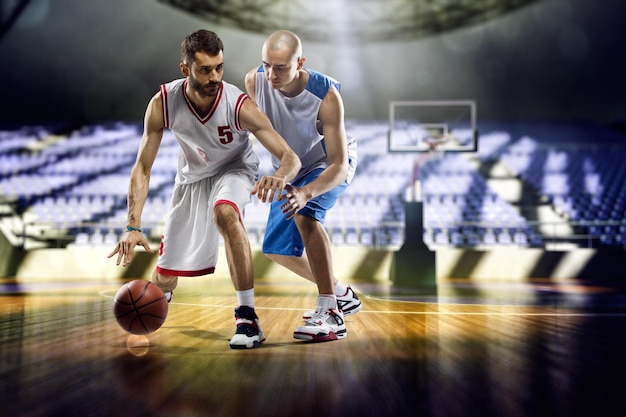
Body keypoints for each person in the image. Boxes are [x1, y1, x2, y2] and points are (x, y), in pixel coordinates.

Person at [108, 30, 300, 349]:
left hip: (235, 168)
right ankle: (158, 300)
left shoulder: (238, 104)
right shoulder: (163, 103)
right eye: (205, 70)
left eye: (219, 68)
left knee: (226, 213)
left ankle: (247, 318)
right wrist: (132, 225)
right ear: (186, 69)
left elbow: (289, 157)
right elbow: (142, 167)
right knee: (166, 277)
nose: (214, 77)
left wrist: (280, 176)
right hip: (191, 180)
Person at [245, 30, 360, 342]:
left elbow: (338, 163)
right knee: (276, 249)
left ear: (301, 62)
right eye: (266, 65)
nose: (271, 74)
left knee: (305, 214)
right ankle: (340, 293)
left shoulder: (326, 97)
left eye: (280, 67)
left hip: (328, 165)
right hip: (291, 170)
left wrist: (306, 191)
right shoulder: (254, 82)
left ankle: (331, 311)